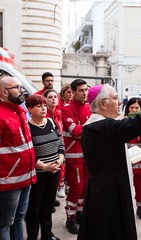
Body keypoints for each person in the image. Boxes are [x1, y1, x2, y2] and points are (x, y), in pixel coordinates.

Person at [77, 73, 141, 240]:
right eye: (115, 98)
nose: (120, 102)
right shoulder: (103, 127)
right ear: (103, 103)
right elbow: (140, 121)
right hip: (109, 194)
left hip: (103, 189)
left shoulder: (95, 126)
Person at [0, 76, 36, 240]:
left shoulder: (21, 112)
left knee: (19, 218)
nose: (22, 91)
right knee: (5, 223)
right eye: (17, 88)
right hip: (8, 182)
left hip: (26, 177)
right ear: (4, 92)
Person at [25, 94, 65, 240]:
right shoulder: (27, 127)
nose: (43, 108)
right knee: (34, 207)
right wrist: (44, 166)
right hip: (38, 173)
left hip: (54, 171)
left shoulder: (51, 122)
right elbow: (28, 152)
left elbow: (60, 142)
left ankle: (47, 235)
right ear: (30, 109)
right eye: (38, 106)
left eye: (43, 105)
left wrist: (60, 160)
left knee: (48, 205)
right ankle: (32, 236)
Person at [61, 79, 91, 234]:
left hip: (88, 155)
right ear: (72, 92)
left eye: (86, 90)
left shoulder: (89, 107)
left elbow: (88, 131)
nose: (84, 93)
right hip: (73, 156)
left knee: (85, 187)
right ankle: (70, 217)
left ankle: (79, 213)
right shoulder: (66, 109)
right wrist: (87, 129)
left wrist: (85, 130)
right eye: (81, 90)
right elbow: (76, 131)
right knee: (76, 187)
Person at [43, 89, 64, 207]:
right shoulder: (43, 115)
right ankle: (47, 203)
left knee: (58, 175)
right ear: (45, 100)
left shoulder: (59, 113)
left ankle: (51, 199)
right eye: (50, 97)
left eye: (55, 97)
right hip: (48, 151)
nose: (53, 99)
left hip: (59, 149)